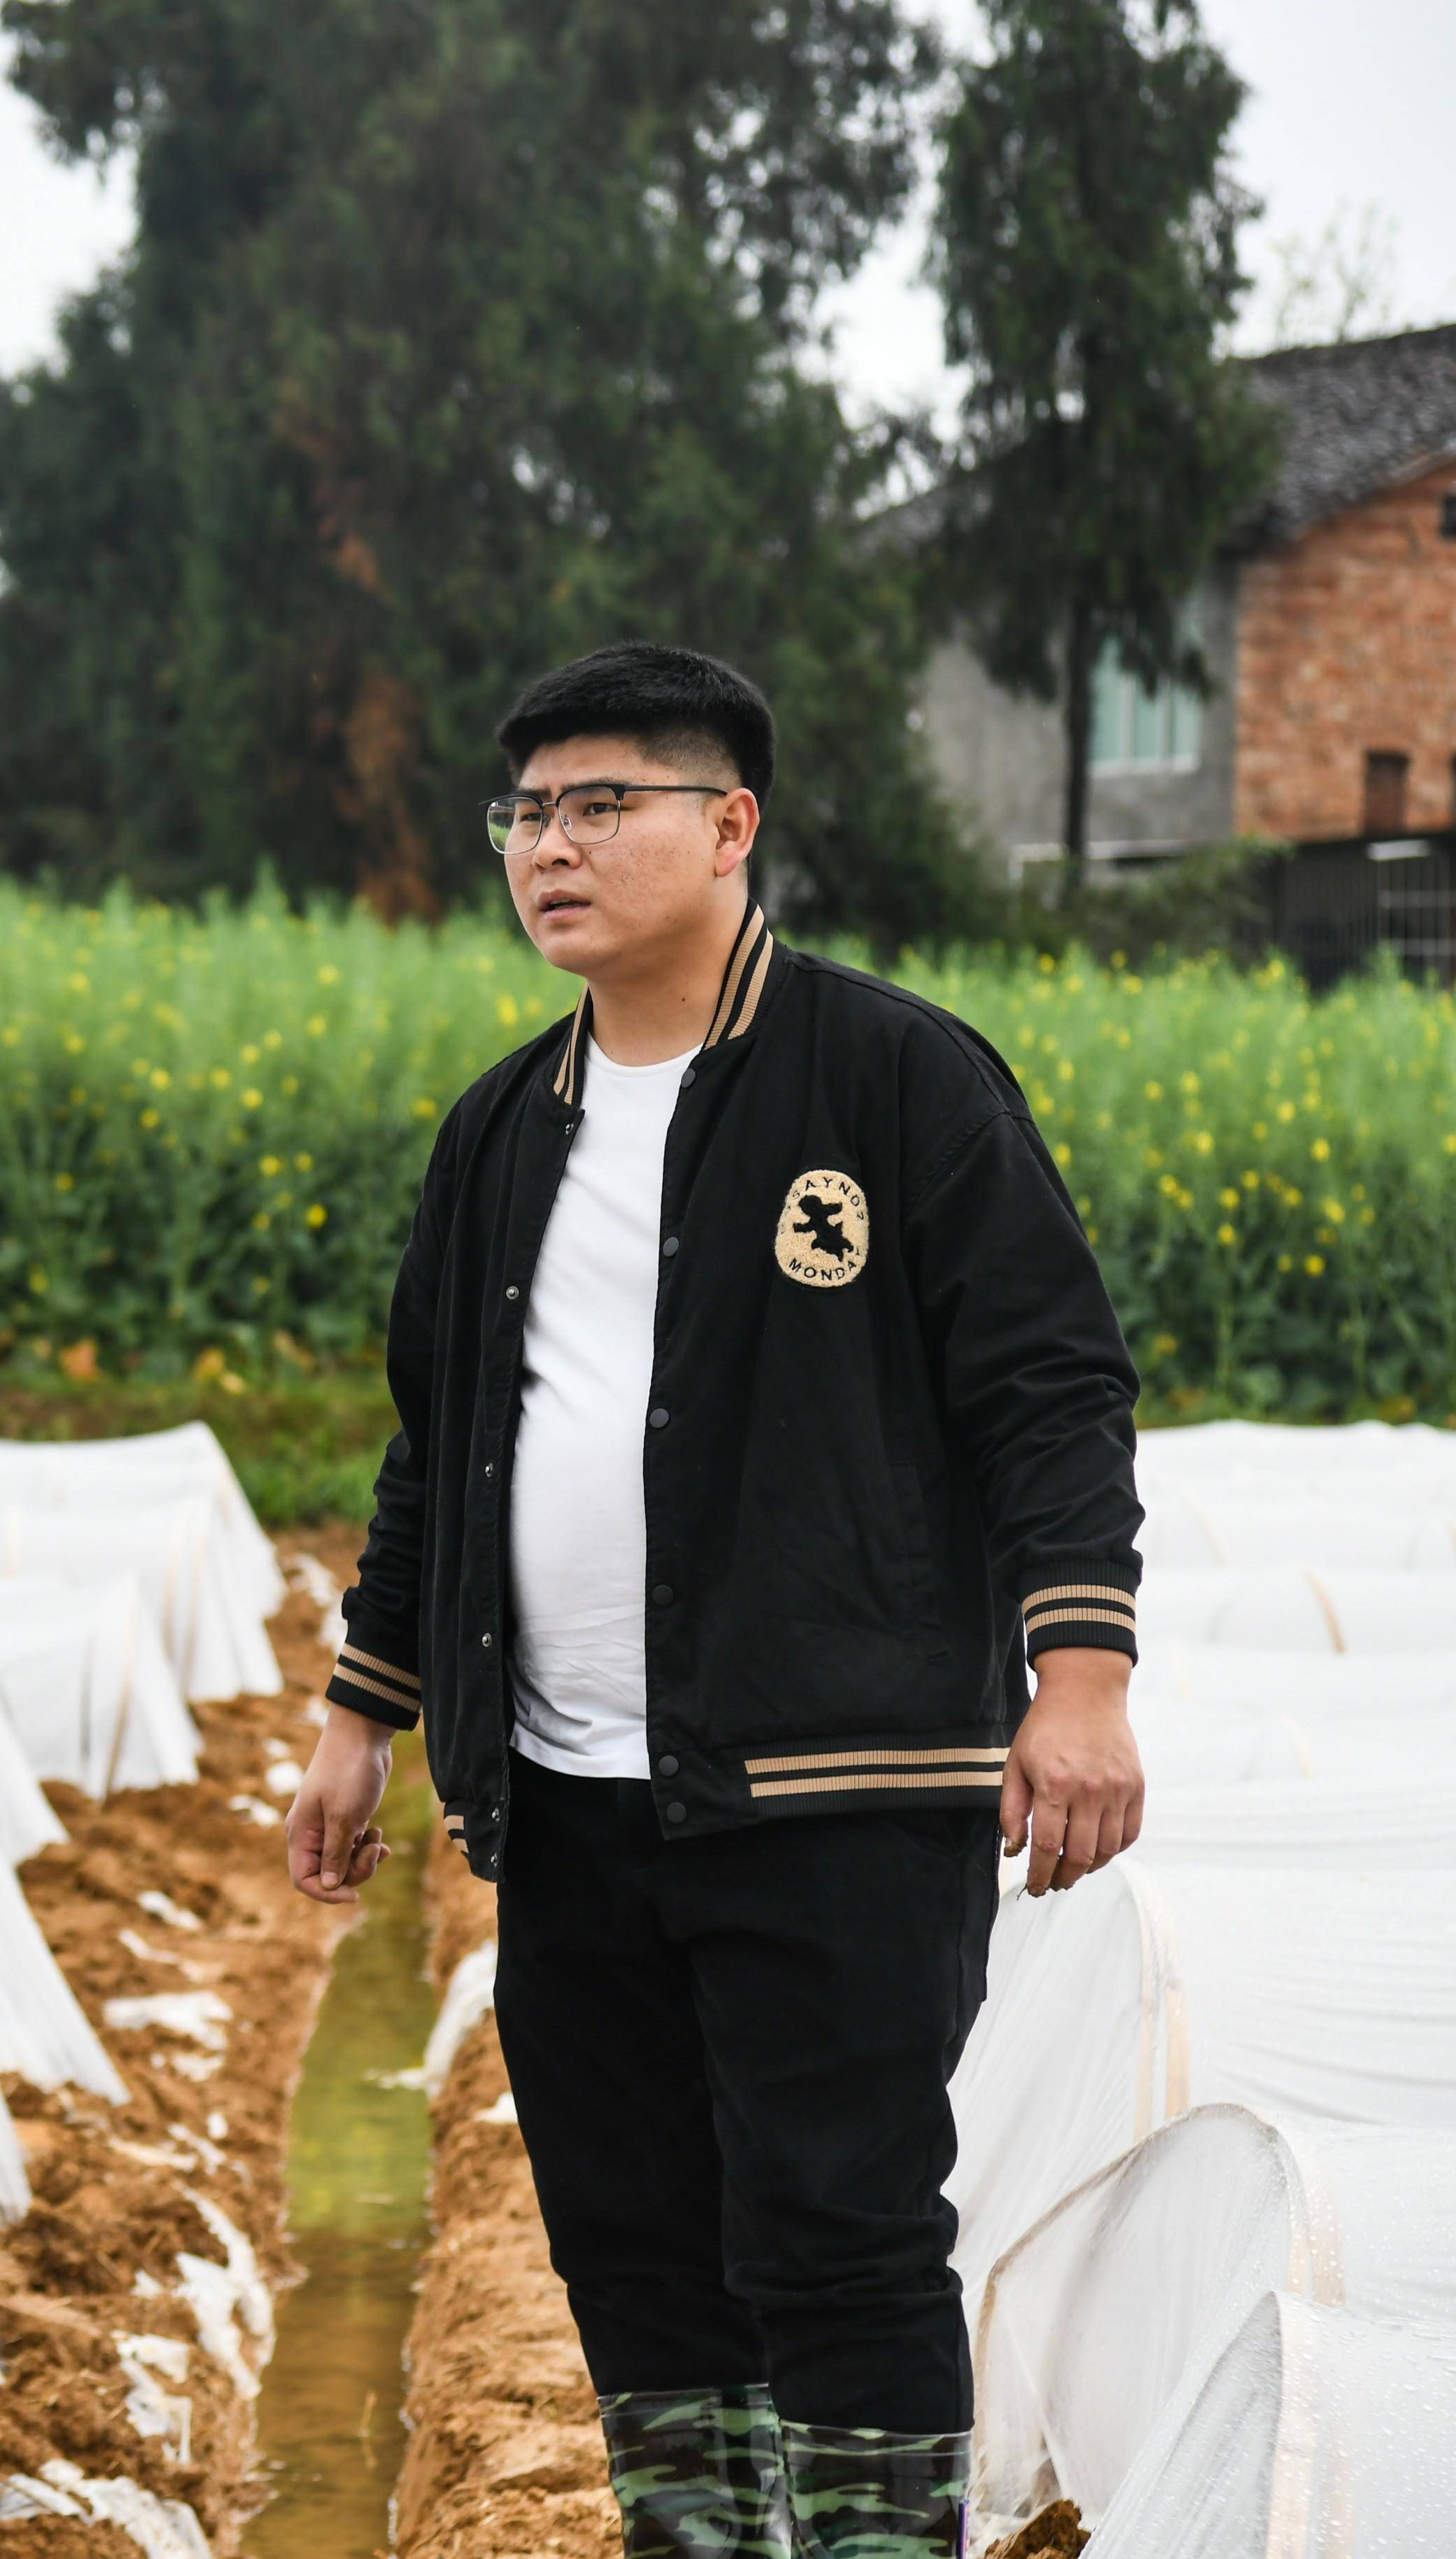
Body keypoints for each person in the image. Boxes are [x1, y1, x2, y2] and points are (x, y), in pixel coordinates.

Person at [283, 645, 1144, 2558]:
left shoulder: (894, 1077)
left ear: (729, 824)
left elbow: (1051, 1385)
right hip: (569, 1806)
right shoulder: (504, 1131)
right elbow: (440, 1452)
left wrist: (1078, 1678)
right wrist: (365, 1714)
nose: (550, 849)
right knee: (639, 2253)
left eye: (604, 805)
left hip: (836, 1792)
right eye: (526, 813)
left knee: (835, 2231)